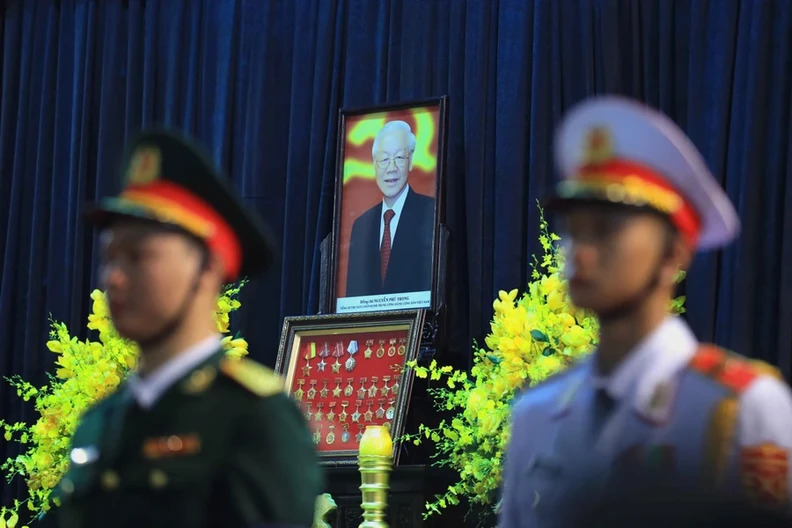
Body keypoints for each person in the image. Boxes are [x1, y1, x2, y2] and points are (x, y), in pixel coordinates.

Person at [498, 96, 792, 527]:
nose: (580, 252)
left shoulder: (740, 411)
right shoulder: (537, 415)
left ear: (674, 252)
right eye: (573, 230)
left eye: (605, 230)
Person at [53, 129, 323, 527]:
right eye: (109, 257)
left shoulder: (254, 419)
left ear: (208, 268)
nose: (115, 278)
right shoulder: (101, 421)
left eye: (138, 256)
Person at [346, 120, 435, 297]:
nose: (391, 168)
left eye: (399, 158)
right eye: (384, 159)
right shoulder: (361, 225)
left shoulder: (430, 213)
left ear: (410, 161)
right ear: (374, 165)